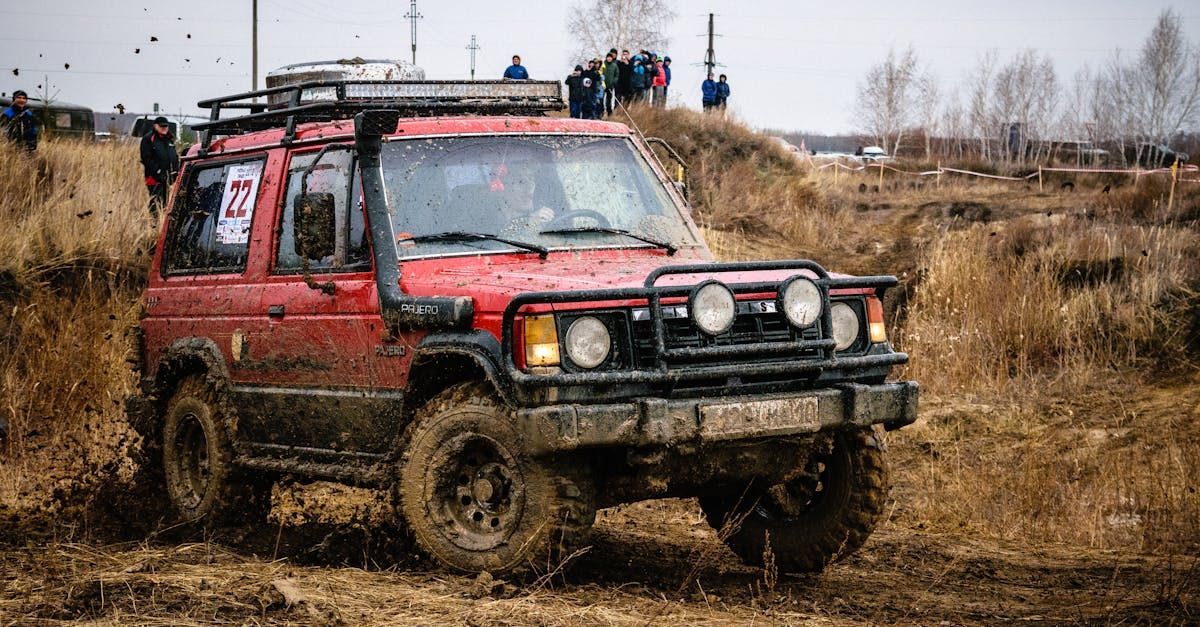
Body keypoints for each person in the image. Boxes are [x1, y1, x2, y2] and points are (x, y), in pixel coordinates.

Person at [140, 116, 179, 213]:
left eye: (166, 126)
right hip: (154, 177)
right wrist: (158, 172)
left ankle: (162, 222)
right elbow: (146, 158)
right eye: (162, 126)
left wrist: (175, 171)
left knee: (165, 202)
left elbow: (174, 156)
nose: (164, 128)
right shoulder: (149, 139)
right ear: (155, 126)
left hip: (168, 177)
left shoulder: (169, 139)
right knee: (156, 200)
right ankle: (154, 223)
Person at [602, 51, 619, 117]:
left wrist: (613, 82)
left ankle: (609, 113)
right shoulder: (603, 64)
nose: (609, 58)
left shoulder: (614, 66)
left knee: (609, 100)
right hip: (603, 85)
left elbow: (616, 75)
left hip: (610, 85)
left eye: (610, 57)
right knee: (602, 100)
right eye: (608, 57)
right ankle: (602, 112)